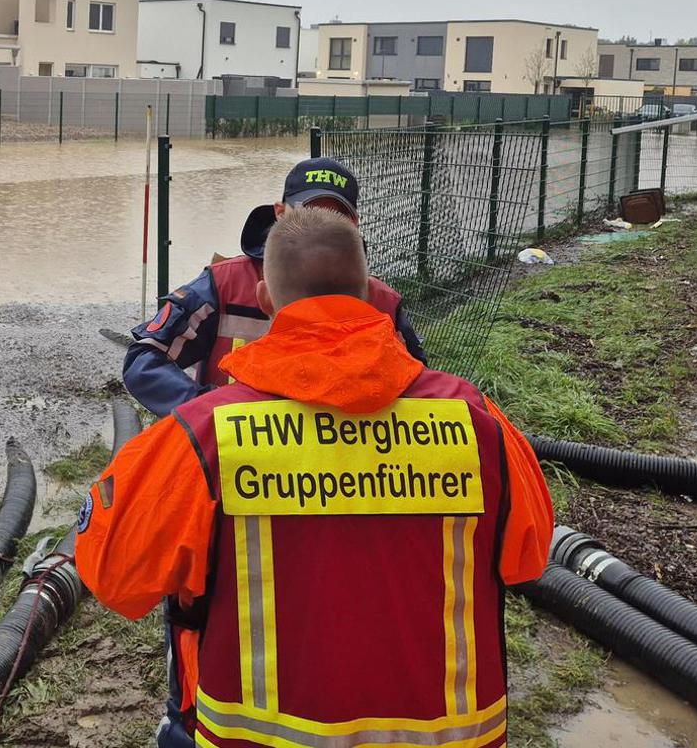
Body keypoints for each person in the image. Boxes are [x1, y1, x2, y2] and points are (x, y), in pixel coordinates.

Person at [78, 207, 553, 748]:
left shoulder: (203, 438)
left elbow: (115, 575)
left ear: (265, 301)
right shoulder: (479, 423)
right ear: (373, 296)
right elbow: (529, 557)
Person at [124, 156, 425, 418]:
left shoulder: (382, 301)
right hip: (240, 465)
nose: (319, 226)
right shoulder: (224, 284)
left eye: (335, 218)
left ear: (355, 224)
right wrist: (207, 412)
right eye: (309, 212)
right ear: (280, 212)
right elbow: (145, 359)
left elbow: (417, 383)